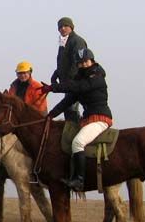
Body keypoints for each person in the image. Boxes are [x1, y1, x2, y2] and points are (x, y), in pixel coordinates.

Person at [46, 48, 112, 192]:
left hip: (100, 118)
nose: (83, 65)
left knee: (78, 142)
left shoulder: (97, 77)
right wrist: (50, 115)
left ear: (92, 61)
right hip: (87, 119)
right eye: (80, 63)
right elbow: (68, 101)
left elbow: (77, 87)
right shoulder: (81, 80)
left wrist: (53, 87)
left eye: (86, 62)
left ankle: (79, 180)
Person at [51, 17, 88, 123]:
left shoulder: (77, 41)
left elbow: (77, 63)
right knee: (69, 108)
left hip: (76, 82)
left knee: (71, 108)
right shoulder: (64, 42)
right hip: (68, 83)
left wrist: (70, 81)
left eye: (65, 26)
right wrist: (56, 74)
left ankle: (74, 131)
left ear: (71, 27)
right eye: (60, 27)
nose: (62, 29)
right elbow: (63, 63)